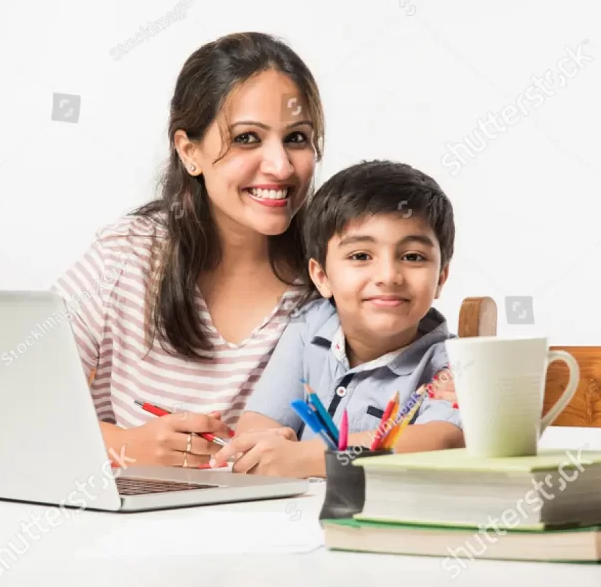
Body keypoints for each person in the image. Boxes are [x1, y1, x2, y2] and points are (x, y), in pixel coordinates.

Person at [50, 32, 325, 468]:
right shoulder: (128, 256)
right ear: (189, 151)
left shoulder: (333, 275)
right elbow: (13, 400)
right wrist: (126, 445)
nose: (281, 166)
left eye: (296, 138)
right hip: (127, 526)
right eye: (248, 138)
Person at [213, 160, 464, 477]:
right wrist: (263, 443)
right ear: (321, 277)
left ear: (441, 277)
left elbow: (442, 442)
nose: (388, 276)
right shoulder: (310, 325)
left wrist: (305, 457)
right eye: (361, 256)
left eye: (413, 257)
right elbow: (260, 423)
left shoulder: (453, 363)